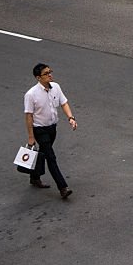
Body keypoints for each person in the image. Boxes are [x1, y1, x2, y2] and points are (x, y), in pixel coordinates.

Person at [24, 63, 77, 199]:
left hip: (52, 128)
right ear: (38, 77)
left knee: (43, 153)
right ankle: (63, 187)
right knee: (51, 158)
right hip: (40, 130)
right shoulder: (31, 95)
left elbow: (64, 103)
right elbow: (29, 116)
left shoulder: (56, 87)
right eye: (46, 73)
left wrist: (71, 118)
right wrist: (31, 137)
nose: (50, 75)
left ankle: (34, 177)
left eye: (50, 72)